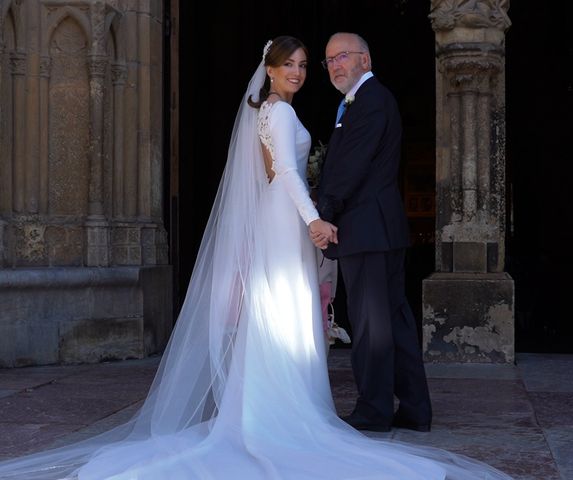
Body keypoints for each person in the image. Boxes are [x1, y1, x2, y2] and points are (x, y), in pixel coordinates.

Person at [0, 36, 512, 480]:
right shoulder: (281, 111)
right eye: (291, 64)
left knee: (282, 310)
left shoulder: (272, 110)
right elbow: (287, 174)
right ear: (269, 70)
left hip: (283, 218)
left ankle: (274, 405)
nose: (300, 71)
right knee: (284, 309)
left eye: (305, 64)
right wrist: (315, 217)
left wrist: (311, 210)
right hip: (288, 218)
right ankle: (285, 410)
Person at [312, 32, 433, 433]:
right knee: (392, 321)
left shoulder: (371, 101)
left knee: (370, 326)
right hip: (379, 230)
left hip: (367, 229)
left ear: (365, 59)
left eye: (342, 57)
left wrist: (324, 212)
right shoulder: (362, 101)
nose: (334, 66)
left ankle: (375, 410)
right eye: (328, 61)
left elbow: (351, 166)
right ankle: (415, 408)